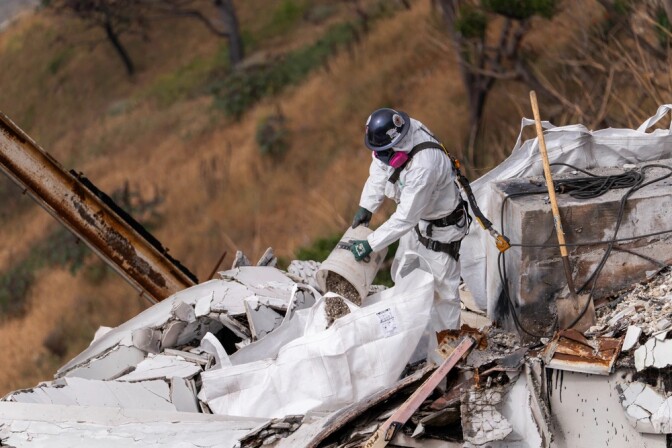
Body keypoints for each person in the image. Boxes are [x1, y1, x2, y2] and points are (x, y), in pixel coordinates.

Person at [349, 107, 469, 331]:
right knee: (404, 276)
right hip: (417, 226)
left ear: (397, 143)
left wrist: (370, 244)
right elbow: (379, 167)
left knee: (443, 294)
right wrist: (366, 205)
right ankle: (414, 340)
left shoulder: (424, 165)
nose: (379, 155)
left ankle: (447, 354)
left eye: (384, 151)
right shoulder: (392, 134)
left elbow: (405, 218)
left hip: (442, 229)